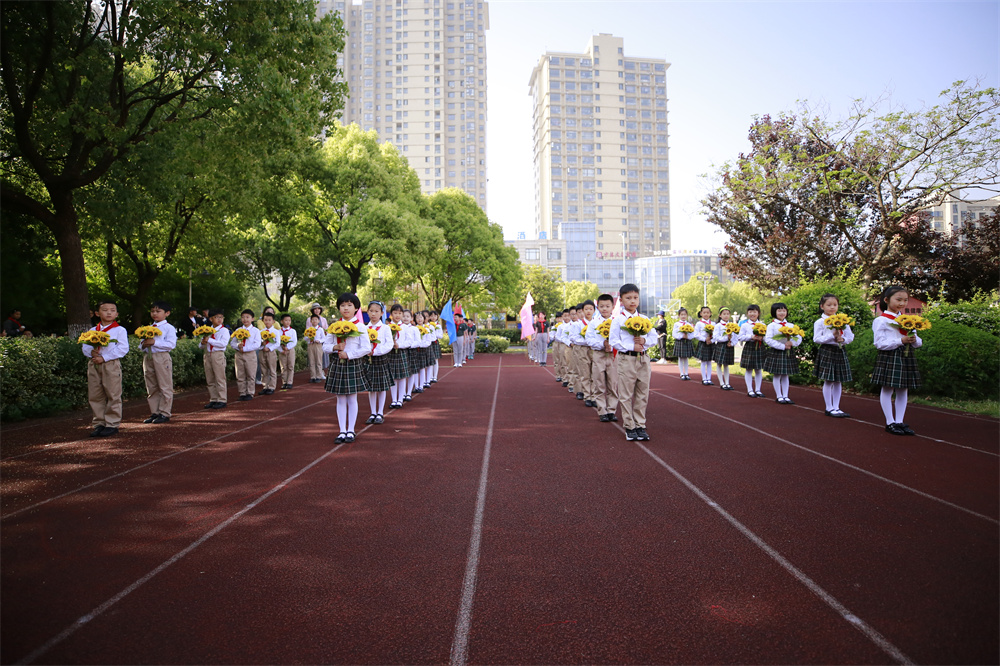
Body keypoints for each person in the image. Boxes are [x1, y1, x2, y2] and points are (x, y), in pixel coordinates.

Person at [609, 284, 658, 441]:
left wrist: (644, 340)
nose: (632, 301)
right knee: (626, 393)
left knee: (642, 392)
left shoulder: (644, 319)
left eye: (635, 297)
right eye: (628, 298)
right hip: (626, 359)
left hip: (643, 359)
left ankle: (640, 425)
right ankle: (630, 426)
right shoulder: (618, 320)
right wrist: (632, 346)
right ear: (621, 300)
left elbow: (654, 338)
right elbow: (613, 340)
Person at [872, 285, 922, 435]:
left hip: (906, 355)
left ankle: (899, 421)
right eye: (898, 299)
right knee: (888, 389)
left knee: (903, 389)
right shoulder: (881, 320)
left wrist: (913, 340)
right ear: (886, 300)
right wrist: (901, 340)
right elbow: (879, 343)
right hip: (890, 355)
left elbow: (918, 343)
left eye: (905, 300)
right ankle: (890, 422)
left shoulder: (908, 320)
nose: (902, 303)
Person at [324, 293, 372, 443]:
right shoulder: (334, 326)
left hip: (352, 363)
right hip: (338, 364)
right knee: (340, 398)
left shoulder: (360, 326)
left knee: (352, 398)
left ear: (356, 308)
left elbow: (366, 347)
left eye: (349, 305)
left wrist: (349, 354)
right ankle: (341, 430)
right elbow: (325, 346)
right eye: (343, 305)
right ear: (339, 308)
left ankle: (350, 429)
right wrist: (335, 347)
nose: (346, 308)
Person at [82, 301, 130, 437]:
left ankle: (112, 423)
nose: (109, 313)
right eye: (105, 310)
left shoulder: (119, 330)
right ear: (97, 313)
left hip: (110, 364)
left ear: (117, 314)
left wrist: (104, 358)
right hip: (94, 364)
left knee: (113, 393)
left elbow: (123, 348)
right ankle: (99, 423)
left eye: (112, 310)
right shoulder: (92, 331)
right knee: (95, 394)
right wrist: (91, 353)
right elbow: (85, 346)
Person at [813, 293, 854, 418]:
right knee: (829, 380)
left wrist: (843, 340)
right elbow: (817, 339)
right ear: (822, 306)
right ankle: (829, 407)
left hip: (839, 350)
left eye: (835, 305)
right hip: (827, 350)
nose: (832, 307)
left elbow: (850, 336)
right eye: (829, 305)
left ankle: (836, 407)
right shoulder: (820, 322)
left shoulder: (843, 321)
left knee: (838, 380)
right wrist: (832, 335)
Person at [140, 301, 177, 424]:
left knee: (164, 384)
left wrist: (155, 343)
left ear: (167, 313)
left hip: (161, 357)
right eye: (152, 311)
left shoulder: (168, 328)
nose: (155, 314)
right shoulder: (148, 328)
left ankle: (164, 412)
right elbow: (141, 345)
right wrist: (144, 344)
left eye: (158, 311)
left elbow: (171, 345)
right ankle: (154, 411)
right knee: (151, 385)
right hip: (148, 357)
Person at [586, 294, 620, 423]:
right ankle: (602, 410)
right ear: (597, 307)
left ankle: (611, 410)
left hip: (612, 356)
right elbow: (589, 339)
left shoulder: (617, 322)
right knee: (599, 384)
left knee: (613, 384)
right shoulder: (594, 323)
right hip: (599, 355)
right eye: (601, 306)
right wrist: (602, 344)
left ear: (612, 307)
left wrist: (612, 345)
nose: (605, 309)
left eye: (607, 306)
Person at [763, 302, 802, 404]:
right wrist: (782, 346)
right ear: (774, 312)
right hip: (777, 351)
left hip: (788, 351)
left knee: (785, 374)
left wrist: (792, 343)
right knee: (777, 374)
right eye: (779, 310)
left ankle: (786, 395)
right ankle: (779, 396)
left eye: (784, 310)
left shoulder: (791, 325)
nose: (782, 313)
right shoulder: (772, 325)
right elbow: (768, 339)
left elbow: (798, 338)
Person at [364, 301, 393, 425]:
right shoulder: (364, 328)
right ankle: (373, 412)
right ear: (368, 312)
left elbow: (389, 344)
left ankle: (380, 412)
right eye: (371, 311)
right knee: (371, 388)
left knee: (381, 387)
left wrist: (375, 352)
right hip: (368, 360)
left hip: (380, 359)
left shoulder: (385, 328)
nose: (373, 314)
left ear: (382, 313)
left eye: (376, 311)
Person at [200, 308, 229, 409]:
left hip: (218, 354)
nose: (219, 319)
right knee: (210, 378)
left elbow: (223, 344)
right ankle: (213, 398)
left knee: (219, 377)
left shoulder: (224, 330)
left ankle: (222, 399)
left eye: (221, 317)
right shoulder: (206, 330)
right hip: (208, 354)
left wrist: (210, 340)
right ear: (211, 318)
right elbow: (201, 346)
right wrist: (203, 343)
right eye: (216, 317)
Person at [230, 309, 262, 401]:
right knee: (240, 374)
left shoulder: (255, 331)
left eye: (247, 317)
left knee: (250, 374)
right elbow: (232, 343)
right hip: (239, 354)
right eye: (243, 317)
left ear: (252, 319)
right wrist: (237, 346)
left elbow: (257, 344)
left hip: (250, 354)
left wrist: (245, 348)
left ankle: (250, 392)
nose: (245, 319)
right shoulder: (238, 330)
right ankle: (242, 393)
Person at [737, 305, 767, 398]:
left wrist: (762, 338)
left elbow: (767, 338)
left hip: (760, 347)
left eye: (754, 312)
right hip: (749, 346)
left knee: (758, 369)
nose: (752, 314)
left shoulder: (763, 325)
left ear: (758, 313)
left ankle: (758, 390)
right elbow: (740, 337)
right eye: (750, 312)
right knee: (749, 369)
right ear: (747, 314)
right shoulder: (745, 325)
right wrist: (751, 337)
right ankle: (750, 390)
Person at [570, 300, 596, 403]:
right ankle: (587, 396)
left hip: (594, 349)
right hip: (582, 349)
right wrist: (586, 341)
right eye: (586, 309)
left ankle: (594, 396)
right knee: (585, 373)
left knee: (594, 373)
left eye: (591, 309)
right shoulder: (578, 324)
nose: (588, 311)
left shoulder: (596, 323)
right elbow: (573, 338)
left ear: (594, 310)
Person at [387, 304, 411, 408]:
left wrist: (399, 345)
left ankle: (400, 399)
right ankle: (394, 399)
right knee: (393, 377)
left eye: (400, 313)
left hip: (401, 353)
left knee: (401, 378)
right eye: (395, 313)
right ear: (391, 314)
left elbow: (409, 341)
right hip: (391, 353)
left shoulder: (405, 327)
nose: (397, 315)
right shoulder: (387, 327)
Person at [712, 307, 736, 391]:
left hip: (729, 346)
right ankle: (722, 383)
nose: (726, 316)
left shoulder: (732, 325)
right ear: (720, 315)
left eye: (727, 314)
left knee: (726, 365)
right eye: (724, 314)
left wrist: (732, 343)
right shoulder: (718, 326)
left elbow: (736, 336)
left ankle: (727, 383)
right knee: (719, 364)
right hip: (721, 346)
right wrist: (726, 338)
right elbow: (716, 337)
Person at [257, 312, 281, 395]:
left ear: (273, 321)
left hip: (270, 352)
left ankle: (271, 387)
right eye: (265, 320)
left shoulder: (276, 331)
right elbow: (258, 342)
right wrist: (261, 345)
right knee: (264, 370)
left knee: (272, 369)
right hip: (262, 351)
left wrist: (269, 348)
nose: (267, 322)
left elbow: (277, 343)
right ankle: (265, 386)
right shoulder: (261, 331)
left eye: (269, 320)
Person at [693, 306, 715, 385]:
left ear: (710, 314)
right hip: (703, 343)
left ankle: (709, 378)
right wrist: (704, 339)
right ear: (701, 313)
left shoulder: (713, 323)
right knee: (703, 361)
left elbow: (715, 335)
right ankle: (704, 378)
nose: (706, 314)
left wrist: (711, 341)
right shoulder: (699, 323)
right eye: (704, 312)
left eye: (708, 312)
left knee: (709, 361)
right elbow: (696, 334)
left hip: (710, 344)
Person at [671, 307, 694, 380]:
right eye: (682, 314)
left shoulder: (689, 324)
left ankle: (686, 373)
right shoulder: (677, 324)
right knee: (680, 358)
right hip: (680, 341)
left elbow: (693, 334)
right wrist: (681, 336)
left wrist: (688, 336)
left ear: (687, 315)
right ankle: (681, 373)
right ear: (679, 315)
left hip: (687, 341)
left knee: (686, 358)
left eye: (685, 314)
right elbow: (674, 334)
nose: (683, 316)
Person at [278, 313, 298, 390]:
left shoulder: (292, 331)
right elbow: (277, 342)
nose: (288, 322)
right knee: (283, 367)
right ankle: (284, 382)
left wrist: (288, 347)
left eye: (289, 320)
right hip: (282, 351)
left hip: (290, 350)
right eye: (286, 320)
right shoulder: (278, 331)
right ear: (282, 321)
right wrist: (281, 350)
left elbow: (294, 341)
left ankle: (289, 382)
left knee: (290, 366)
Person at [306, 314, 326, 383]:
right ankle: (313, 376)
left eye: (316, 319)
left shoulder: (320, 329)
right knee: (311, 361)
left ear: (318, 321)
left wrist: (319, 341)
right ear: (311, 321)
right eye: (313, 319)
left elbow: (324, 338)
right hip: (311, 345)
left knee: (318, 361)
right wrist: (309, 337)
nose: (314, 321)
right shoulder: (308, 330)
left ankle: (318, 376)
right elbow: (305, 338)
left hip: (318, 345)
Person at [428, 310, 443, 383]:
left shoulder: (438, 325)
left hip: (435, 342)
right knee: (430, 360)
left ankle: (435, 376)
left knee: (436, 360)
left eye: (435, 316)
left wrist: (435, 333)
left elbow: (441, 336)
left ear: (437, 317)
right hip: (429, 343)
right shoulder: (427, 325)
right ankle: (430, 377)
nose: (433, 317)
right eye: (431, 316)